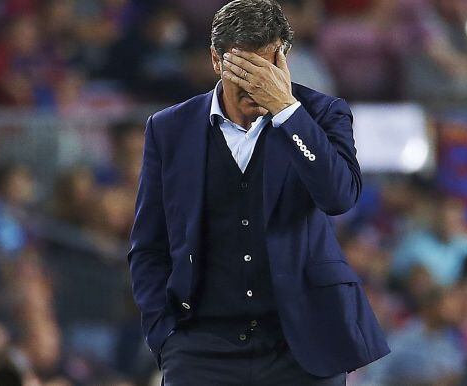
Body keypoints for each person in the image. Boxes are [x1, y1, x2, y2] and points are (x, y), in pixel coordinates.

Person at [126, 1, 389, 384]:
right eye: (243, 71)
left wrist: (287, 110)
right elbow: (149, 244)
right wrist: (165, 335)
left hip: (303, 344)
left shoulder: (321, 114)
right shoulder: (169, 128)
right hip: (202, 346)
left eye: (266, 70)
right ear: (216, 60)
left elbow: (338, 197)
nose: (256, 85)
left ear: (285, 59)